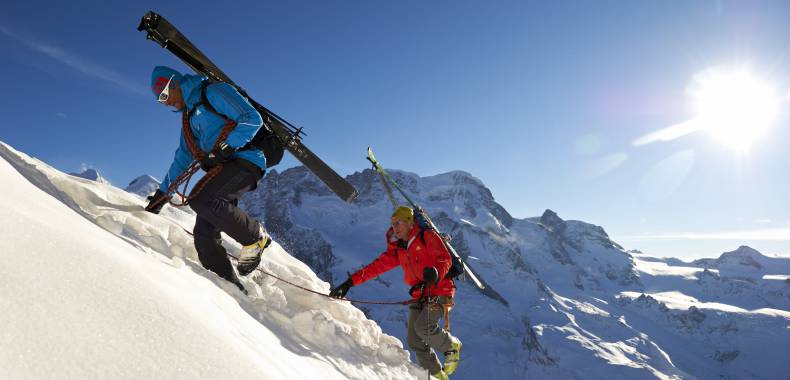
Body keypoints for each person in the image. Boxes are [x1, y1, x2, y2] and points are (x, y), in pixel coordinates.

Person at [144, 66, 270, 293]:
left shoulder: (213, 92)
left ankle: (254, 237)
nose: (164, 103)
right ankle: (231, 290)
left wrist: (226, 146)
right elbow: (182, 158)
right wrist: (162, 195)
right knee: (204, 236)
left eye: (164, 95)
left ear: (174, 84)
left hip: (246, 161)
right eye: (159, 100)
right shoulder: (189, 119)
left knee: (202, 200)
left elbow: (252, 118)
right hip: (224, 169)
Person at [330, 206, 462, 379]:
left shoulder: (427, 236)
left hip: (440, 290)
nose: (395, 227)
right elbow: (376, 267)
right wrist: (349, 283)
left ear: (409, 222)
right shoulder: (400, 249)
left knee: (424, 327)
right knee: (414, 340)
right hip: (420, 294)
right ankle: (436, 376)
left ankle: (451, 346)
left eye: (399, 222)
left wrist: (436, 273)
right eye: (393, 224)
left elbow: (443, 258)